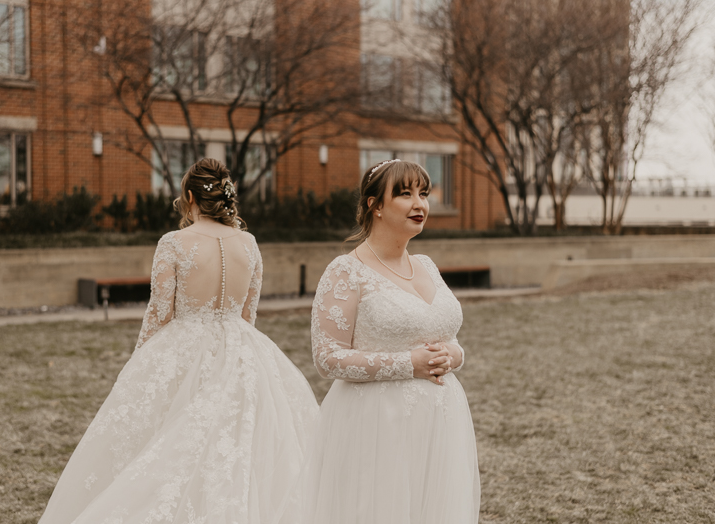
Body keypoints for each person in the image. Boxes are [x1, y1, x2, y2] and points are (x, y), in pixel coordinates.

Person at [38, 158, 319, 524]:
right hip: (243, 350)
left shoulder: (173, 243)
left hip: (185, 345)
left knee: (173, 439)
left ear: (189, 196)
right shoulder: (249, 244)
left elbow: (160, 313)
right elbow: (248, 314)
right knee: (234, 445)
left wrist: (142, 362)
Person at [304, 159, 480, 524]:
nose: (420, 204)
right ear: (375, 206)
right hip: (376, 423)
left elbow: (450, 338)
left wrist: (453, 354)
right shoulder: (346, 271)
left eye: (424, 193)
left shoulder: (427, 265)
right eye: (405, 194)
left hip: (440, 421)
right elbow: (327, 358)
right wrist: (407, 363)